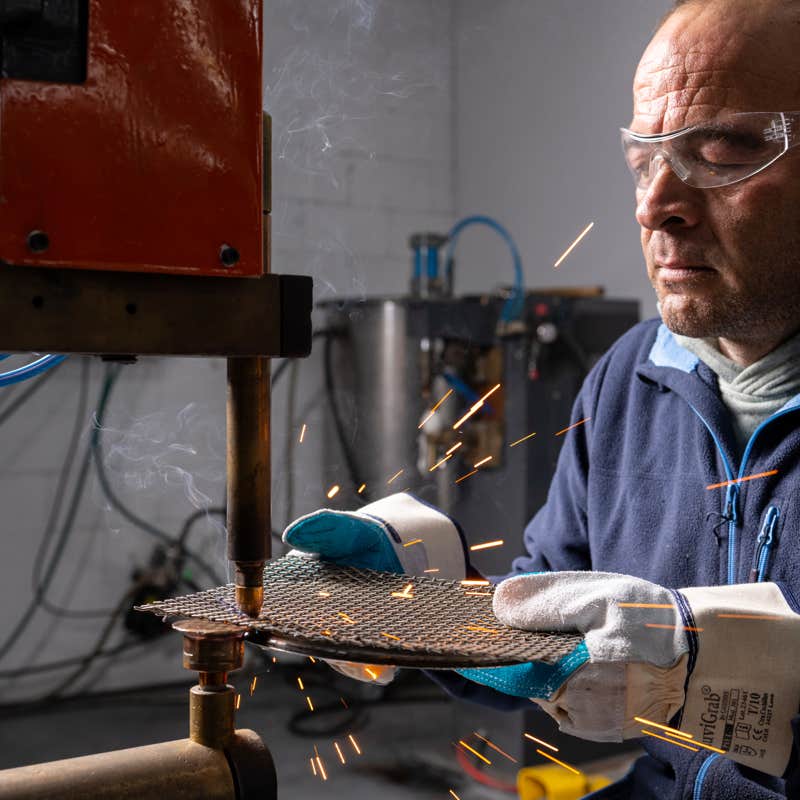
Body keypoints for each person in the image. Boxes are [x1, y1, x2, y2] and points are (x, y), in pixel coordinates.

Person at [284, 1, 800, 796]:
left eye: (722, 151)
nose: (655, 202)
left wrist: (725, 666)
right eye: (644, 159)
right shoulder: (630, 378)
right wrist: (428, 599)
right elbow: (549, 624)